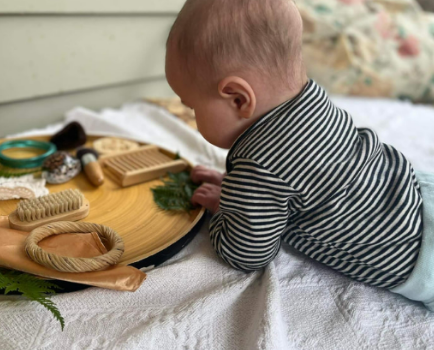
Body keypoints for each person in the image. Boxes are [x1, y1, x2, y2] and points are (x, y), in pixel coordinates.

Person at [165, 0, 434, 310]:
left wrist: (226, 210)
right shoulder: (313, 103)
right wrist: (239, 190)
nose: (191, 116)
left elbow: (244, 252)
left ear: (238, 99)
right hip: (415, 191)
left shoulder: (259, 162)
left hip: (417, 254)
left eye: (191, 107)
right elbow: (304, 176)